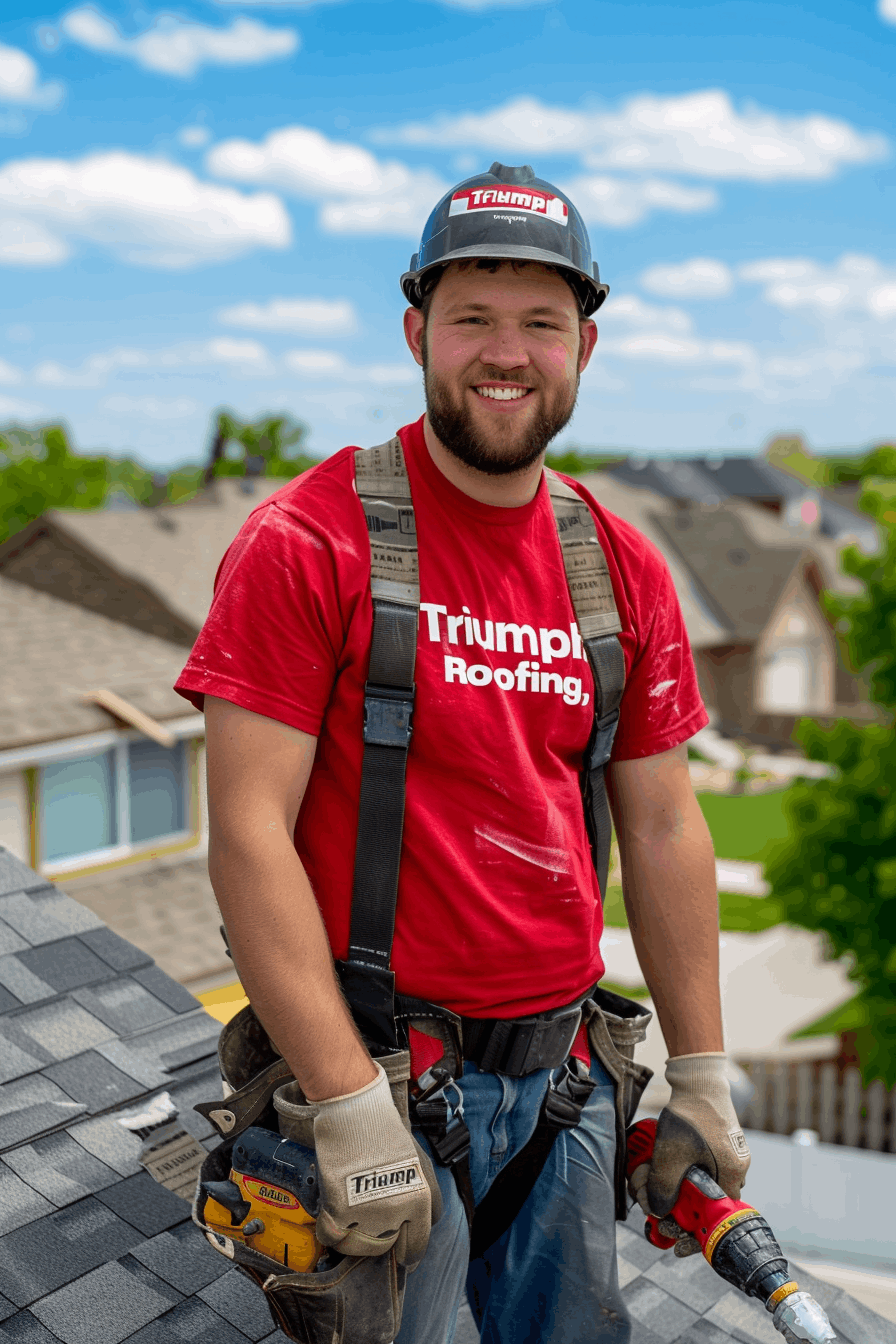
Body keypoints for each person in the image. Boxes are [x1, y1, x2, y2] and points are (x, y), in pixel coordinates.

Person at [175, 162, 750, 1344]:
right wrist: (338, 1097)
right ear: (415, 333)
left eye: (540, 322)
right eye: (471, 318)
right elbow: (245, 836)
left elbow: (662, 825)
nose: (506, 352)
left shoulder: (617, 568)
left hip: (568, 1088)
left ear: (583, 347)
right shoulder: (308, 543)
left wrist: (696, 1071)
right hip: (382, 1076)